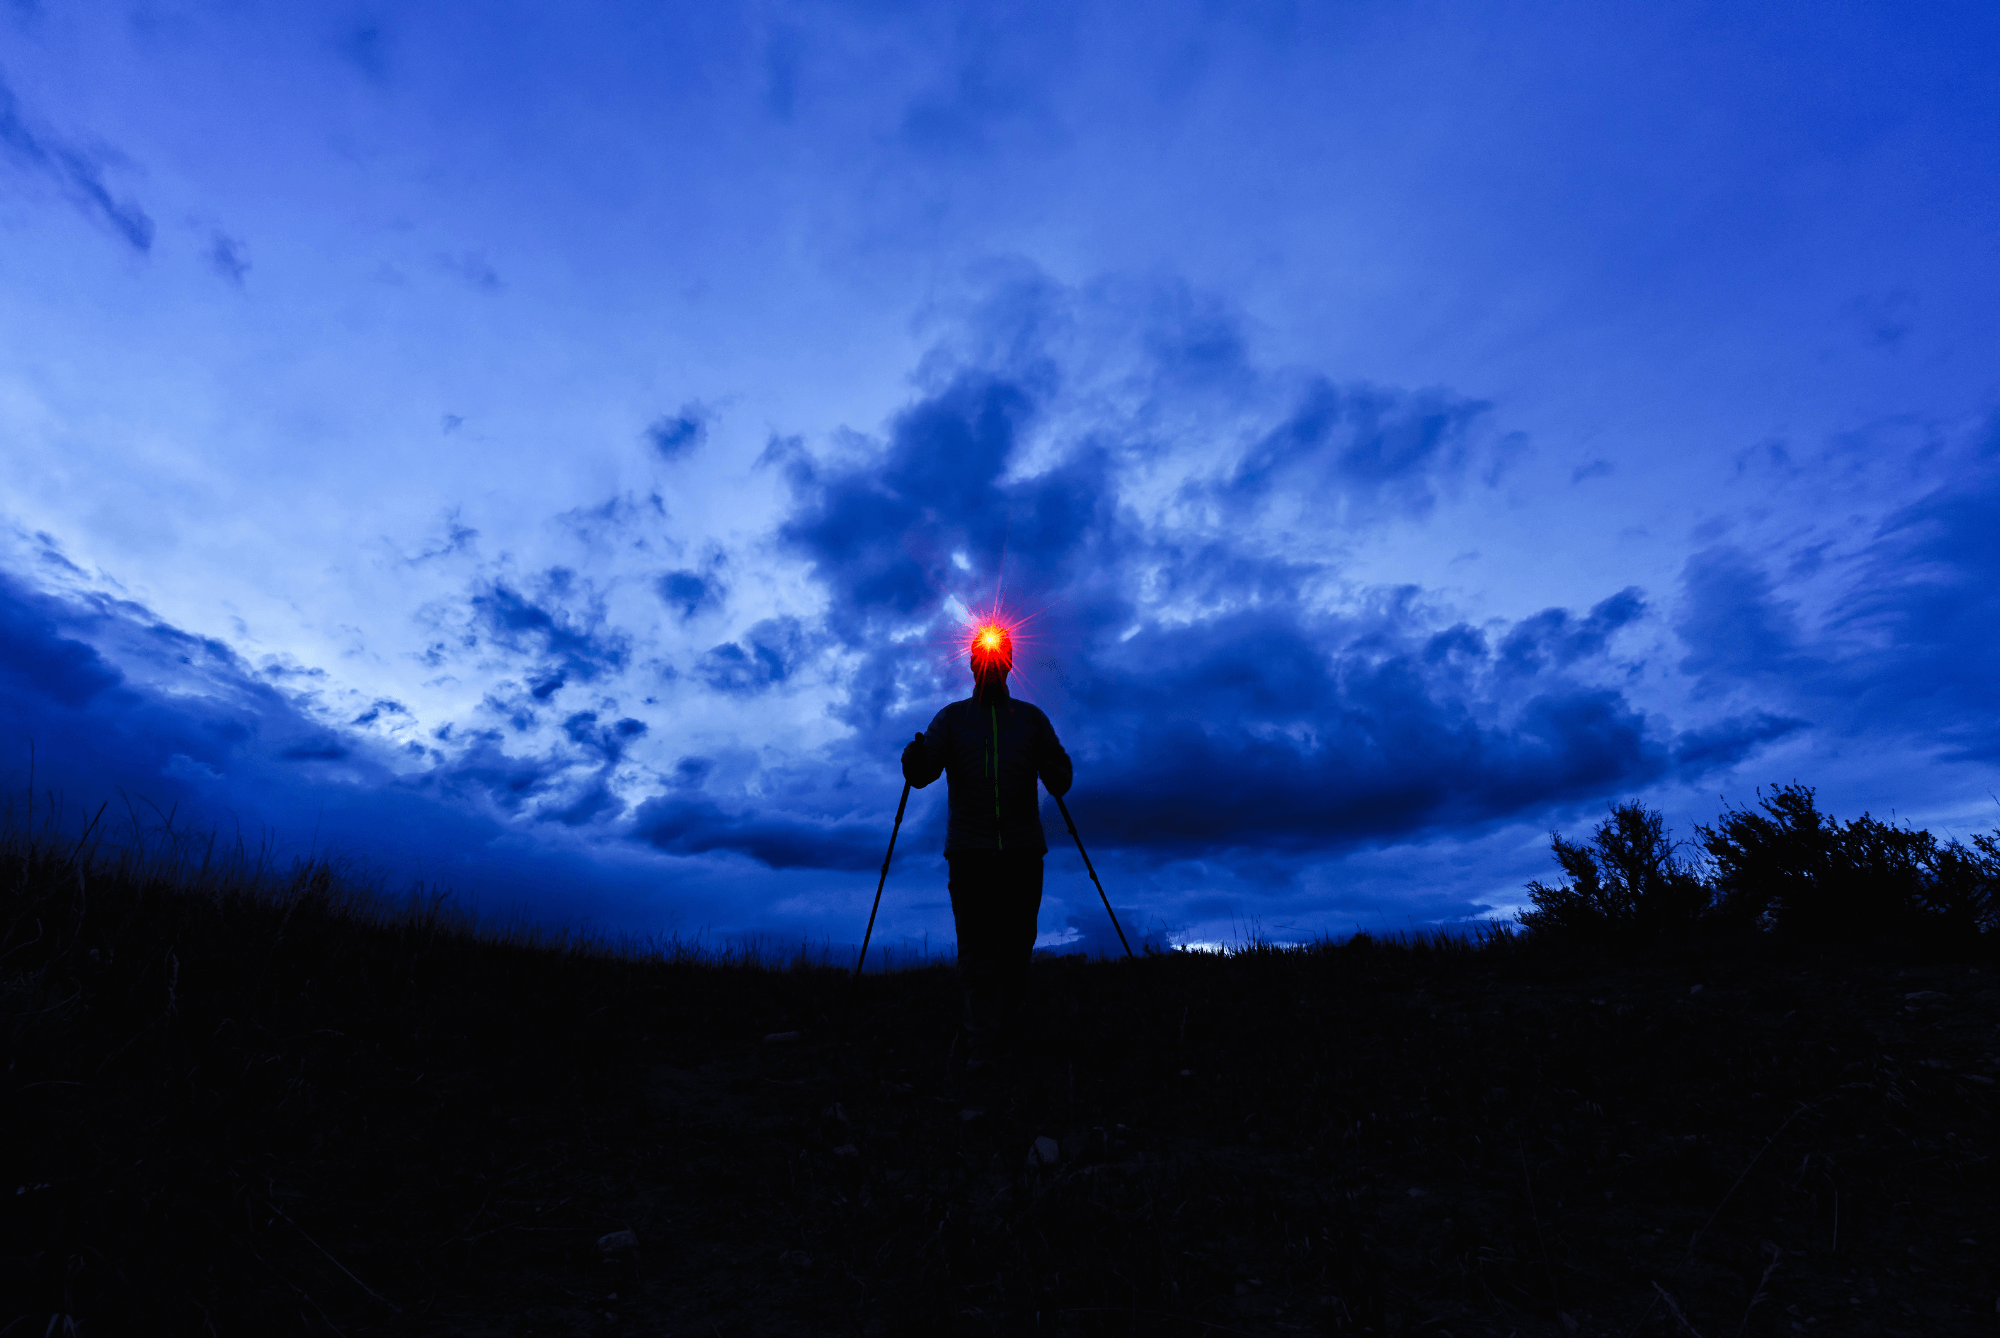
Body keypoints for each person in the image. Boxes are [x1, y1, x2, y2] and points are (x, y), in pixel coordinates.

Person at [900, 625, 1072, 1072]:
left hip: (1021, 852)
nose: (992, 664)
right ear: (974, 664)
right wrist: (913, 759)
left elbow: (1061, 768)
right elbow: (923, 773)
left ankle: (1003, 1037)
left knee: (1015, 950)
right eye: (984, 658)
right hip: (971, 853)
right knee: (978, 952)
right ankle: (982, 1047)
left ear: (1010, 663)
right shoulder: (952, 718)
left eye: (999, 657)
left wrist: (1055, 770)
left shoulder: (1031, 719)